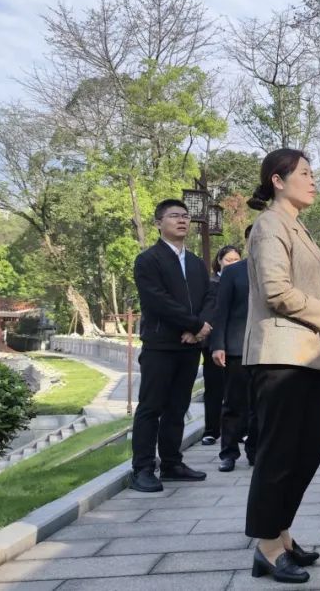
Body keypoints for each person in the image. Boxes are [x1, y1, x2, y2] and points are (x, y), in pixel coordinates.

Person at [243, 149, 320, 584]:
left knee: (312, 444)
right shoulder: (270, 225)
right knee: (280, 451)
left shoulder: (297, 227)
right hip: (280, 355)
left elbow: (311, 286)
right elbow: (276, 290)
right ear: (277, 180)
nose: (313, 180)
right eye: (304, 173)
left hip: (308, 356)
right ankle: (266, 546)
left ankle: (280, 531)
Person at [130, 199, 215, 493]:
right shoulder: (148, 260)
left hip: (190, 347)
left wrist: (200, 329)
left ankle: (171, 463)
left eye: (185, 216)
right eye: (174, 216)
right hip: (160, 345)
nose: (182, 220)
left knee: (178, 406)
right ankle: (142, 468)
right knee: (151, 407)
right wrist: (193, 325)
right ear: (158, 223)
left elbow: (209, 298)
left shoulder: (195, 263)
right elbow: (157, 300)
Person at [210, 231, 257, 472]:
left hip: (268, 349)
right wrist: (218, 344)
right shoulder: (233, 271)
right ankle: (228, 452)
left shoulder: (278, 270)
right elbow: (221, 311)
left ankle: (256, 451)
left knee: (262, 404)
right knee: (233, 403)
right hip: (237, 347)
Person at [200, 245, 240, 447]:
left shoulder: (243, 280)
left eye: (236, 260)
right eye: (228, 260)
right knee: (214, 389)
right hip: (213, 342)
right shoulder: (212, 283)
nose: (232, 263)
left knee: (237, 391)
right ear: (219, 261)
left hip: (237, 343)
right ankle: (211, 430)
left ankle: (238, 431)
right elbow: (208, 311)